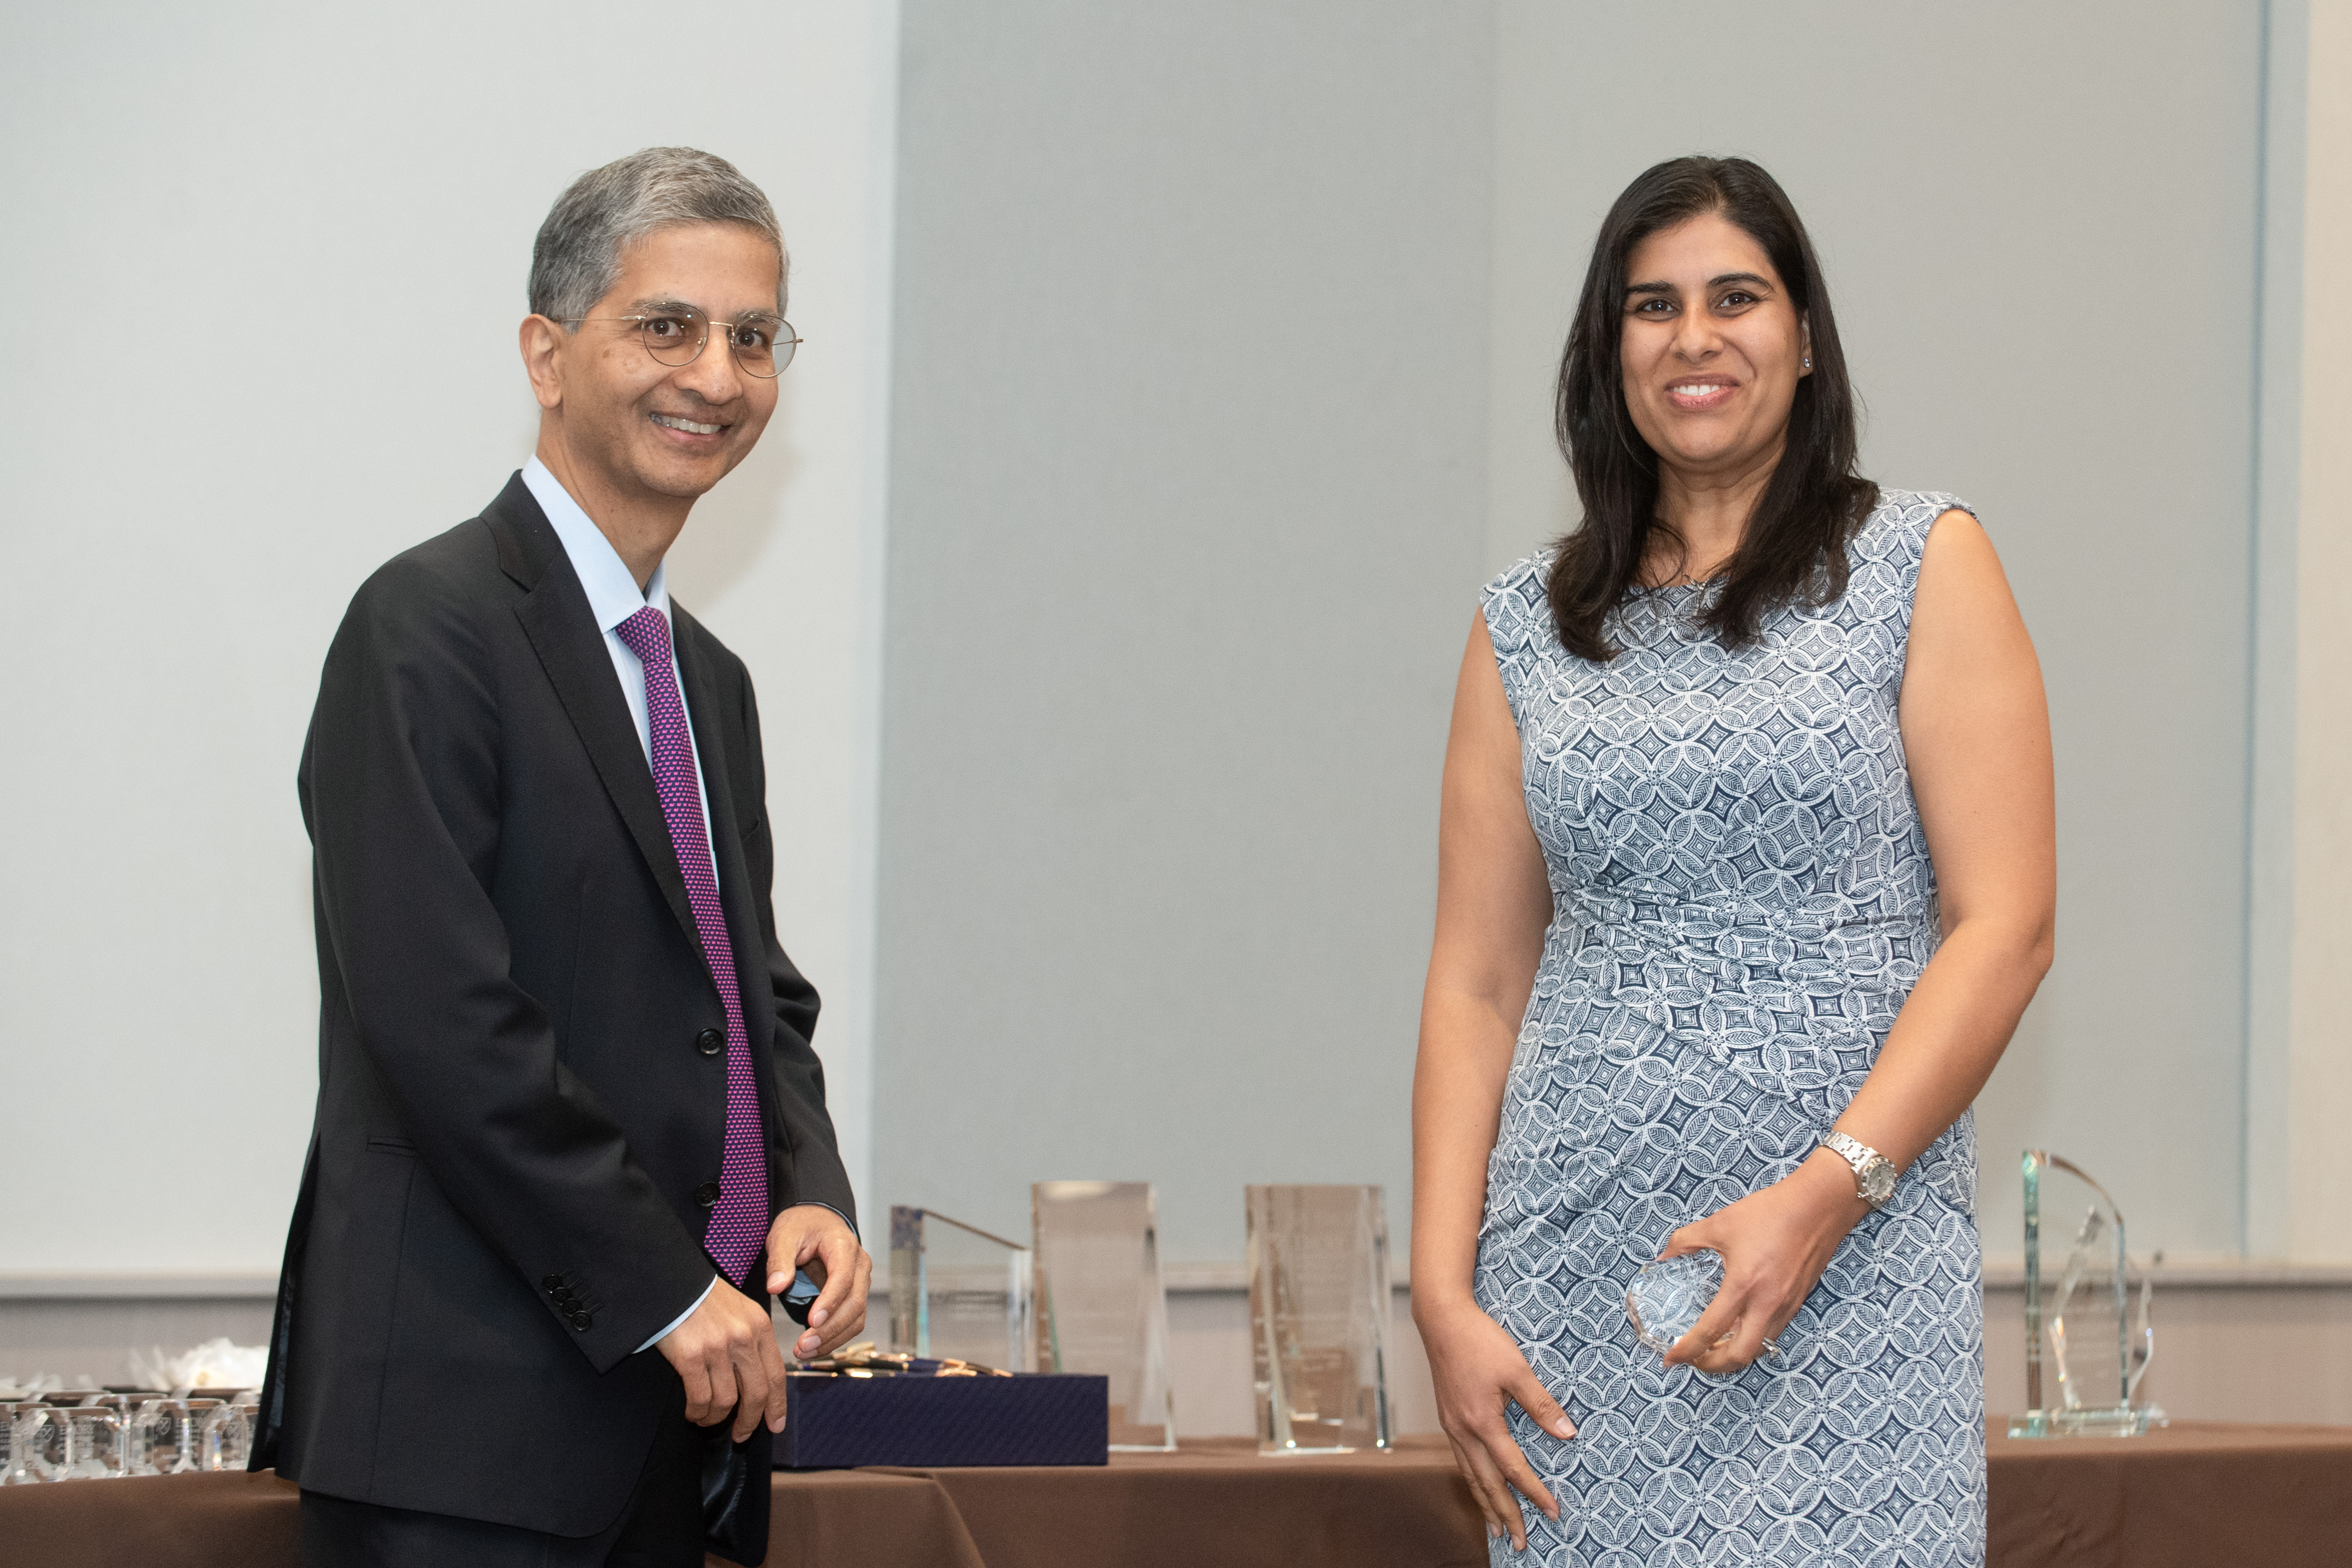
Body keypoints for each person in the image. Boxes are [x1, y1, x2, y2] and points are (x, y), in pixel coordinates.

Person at [1410, 155, 2054, 1565]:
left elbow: (2003, 925)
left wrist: (1828, 1196)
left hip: (1854, 1261)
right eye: (1653, 306)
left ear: (1805, 339)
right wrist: (1441, 1294)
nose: (1694, 337)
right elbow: (1474, 983)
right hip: (1570, 1281)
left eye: (1736, 297)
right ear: (1609, 349)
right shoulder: (1524, 622)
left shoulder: (1919, 562)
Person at [252, 147, 873, 1568]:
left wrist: (809, 1187)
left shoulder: (702, 675)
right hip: (464, 1449)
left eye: (753, 338)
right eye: (667, 327)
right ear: (547, 352)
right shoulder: (421, 630)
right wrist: (664, 1288)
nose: (716, 375)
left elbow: (749, 994)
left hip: (673, 1427)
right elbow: (444, 1024)